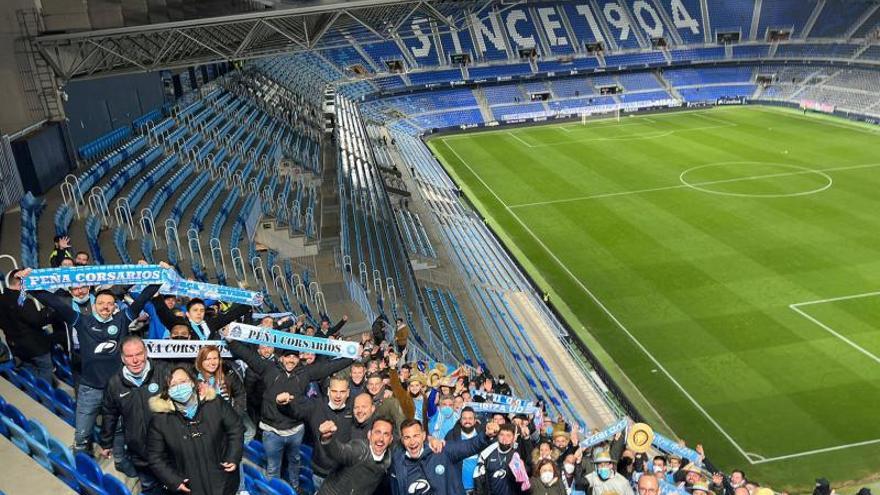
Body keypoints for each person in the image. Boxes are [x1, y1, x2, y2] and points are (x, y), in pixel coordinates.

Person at [28, 267, 163, 454]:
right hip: (90, 388)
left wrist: (160, 277)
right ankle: (83, 465)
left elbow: (143, 299)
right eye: (101, 303)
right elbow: (55, 304)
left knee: (118, 428)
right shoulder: (81, 321)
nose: (105, 307)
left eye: (110, 303)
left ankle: (118, 458)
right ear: (94, 305)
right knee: (82, 435)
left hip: (118, 389)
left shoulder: (123, 319)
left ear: (115, 306)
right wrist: (31, 285)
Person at [223, 334, 354, 488]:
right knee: (273, 467)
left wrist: (352, 357)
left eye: (294, 357)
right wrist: (231, 341)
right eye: (287, 356)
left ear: (298, 359)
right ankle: (272, 490)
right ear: (281, 358)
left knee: (295, 463)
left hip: (295, 430)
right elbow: (249, 356)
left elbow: (328, 367)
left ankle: (295, 487)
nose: (291, 360)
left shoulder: (304, 373)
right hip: (272, 431)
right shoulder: (268, 368)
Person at [147, 366, 244, 495]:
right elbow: (155, 457)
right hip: (190, 486)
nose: (179, 387)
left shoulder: (216, 403)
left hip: (223, 480)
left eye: (183, 382)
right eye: (173, 385)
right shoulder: (160, 419)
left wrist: (233, 456)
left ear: (193, 382)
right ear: (167, 390)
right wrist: (174, 480)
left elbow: (236, 428)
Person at [98, 336, 170, 494]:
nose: (135, 360)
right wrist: (106, 442)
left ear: (146, 353)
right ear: (123, 358)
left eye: (139, 354)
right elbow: (109, 413)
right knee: (150, 488)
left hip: (169, 450)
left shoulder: (164, 372)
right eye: (130, 356)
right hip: (139, 452)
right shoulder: (115, 383)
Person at [278, 375, 353, 489]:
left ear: (348, 393)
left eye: (342, 392)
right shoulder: (316, 406)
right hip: (320, 472)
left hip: (344, 474)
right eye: (334, 391)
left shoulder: (355, 409)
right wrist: (283, 405)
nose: (338, 396)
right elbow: (295, 412)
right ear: (328, 391)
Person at [390, 418, 500, 495]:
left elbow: (470, 446)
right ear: (402, 440)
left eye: (416, 436)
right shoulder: (398, 463)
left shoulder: (442, 450)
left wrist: (485, 434)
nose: (412, 442)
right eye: (407, 437)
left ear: (423, 436)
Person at [315, 416, 394, 495]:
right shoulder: (360, 450)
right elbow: (341, 452)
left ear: (390, 440)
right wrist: (327, 438)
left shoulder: (387, 460)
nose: (381, 439)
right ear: (369, 435)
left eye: (386, 434)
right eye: (377, 432)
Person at [1, 269, 55, 383]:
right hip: (34, 346)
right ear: (20, 283)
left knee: (28, 368)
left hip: (15, 344)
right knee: (46, 368)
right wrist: (48, 311)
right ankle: (43, 396)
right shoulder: (23, 301)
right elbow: (37, 320)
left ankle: (34, 388)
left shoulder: (2, 298)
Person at [194, 345, 251, 443]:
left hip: (226, 422)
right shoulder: (193, 377)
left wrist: (235, 414)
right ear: (200, 361)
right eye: (208, 359)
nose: (212, 362)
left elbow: (240, 394)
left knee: (249, 431)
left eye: (215, 358)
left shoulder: (228, 374)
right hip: (205, 425)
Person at [152, 293, 251, 340]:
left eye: (202, 310)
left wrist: (249, 302)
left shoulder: (210, 323)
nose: (199, 313)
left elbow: (231, 315)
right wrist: (156, 297)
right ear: (187, 314)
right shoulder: (181, 324)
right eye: (195, 310)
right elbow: (163, 312)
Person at [474, 422, 535, 495]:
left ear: (514, 438)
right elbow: (479, 480)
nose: (504, 439)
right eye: (501, 435)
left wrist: (526, 439)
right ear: (497, 436)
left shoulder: (517, 455)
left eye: (508, 435)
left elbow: (531, 469)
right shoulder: (487, 453)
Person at [444, 406, 480, 494]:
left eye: (470, 418)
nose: (467, 421)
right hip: (459, 487)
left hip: (479, 487)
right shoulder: (451, 435)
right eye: (464, 418)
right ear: (460, 420)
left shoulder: (482, 435)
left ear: (475, 421)